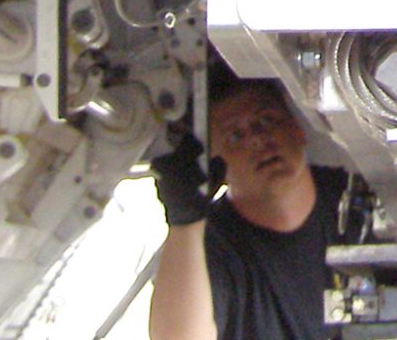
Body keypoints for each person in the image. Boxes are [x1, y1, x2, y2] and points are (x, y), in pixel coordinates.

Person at [149, 70, 351, 340]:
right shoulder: (210, 247)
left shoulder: (356, 199)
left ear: (297, 128)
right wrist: (184, 222)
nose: (257, 139)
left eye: (267, 120)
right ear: (217, 163)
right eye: (235, 135)